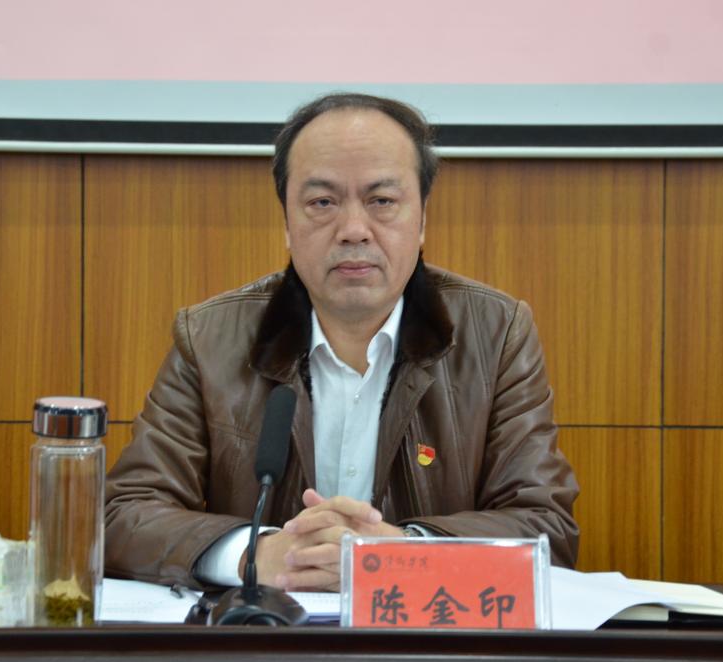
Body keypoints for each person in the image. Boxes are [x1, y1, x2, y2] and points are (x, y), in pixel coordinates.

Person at [104, 93, 579, 592]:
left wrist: (405, 552)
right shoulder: (209, 339)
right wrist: (257, 554)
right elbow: (124, 514)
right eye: (322, 203)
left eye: (382, 201)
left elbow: (546, 527)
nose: (353, 230)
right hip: (266, 635)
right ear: (288, 224)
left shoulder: (496, 334)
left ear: (422, 220)